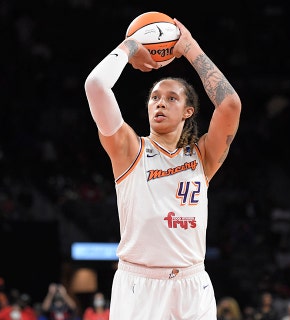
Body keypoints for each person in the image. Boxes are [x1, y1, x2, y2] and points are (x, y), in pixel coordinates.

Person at [84, 15, 242, 320]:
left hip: (192, 284)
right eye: (154, 97)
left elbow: (230, 105)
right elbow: (96, 85)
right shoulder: (129, 149)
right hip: (138, 286)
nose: (160, 103)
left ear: (188, 111)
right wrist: (130, 46)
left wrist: (190, 47)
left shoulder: (203, 157)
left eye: (171, 98)